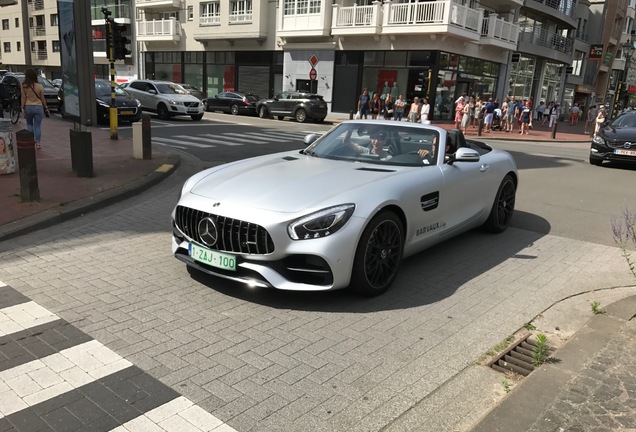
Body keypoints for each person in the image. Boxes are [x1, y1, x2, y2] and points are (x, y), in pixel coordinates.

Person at [21, 68, 49, 149]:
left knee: (29, 124)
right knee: (37, 126)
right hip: (38, 107)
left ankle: (30, 141)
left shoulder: (24, 85)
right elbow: (42, 98)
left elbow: (23, 97)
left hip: (28, 106)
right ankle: (38, 143)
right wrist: (46, 107)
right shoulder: (39, 86)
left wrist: (22, 107)